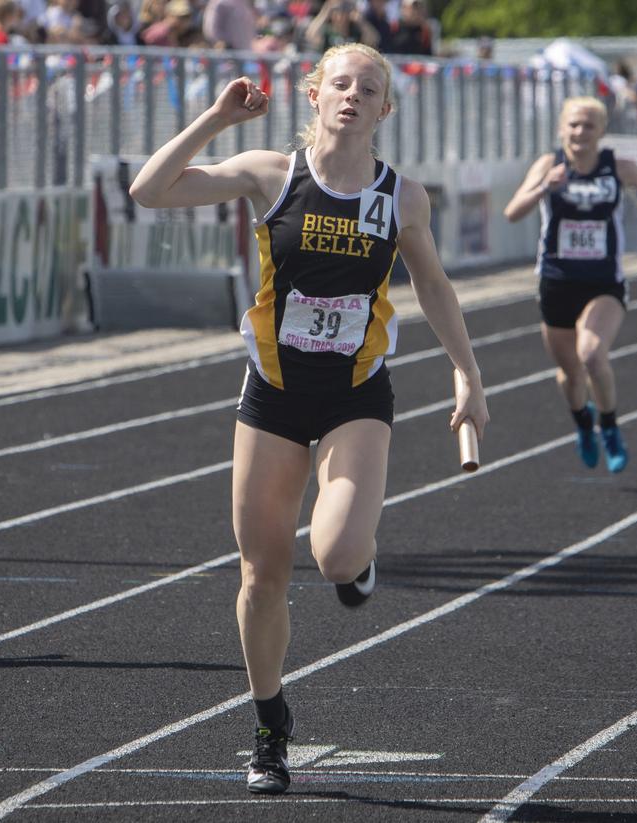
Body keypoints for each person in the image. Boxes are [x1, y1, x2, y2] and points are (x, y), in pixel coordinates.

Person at [129, 42, 488, 795]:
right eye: (341, 84)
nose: (354, 96)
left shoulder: (403, 198)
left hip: (356, 392)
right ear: (315, 94)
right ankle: (270, 725)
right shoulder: (272, 174)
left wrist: (467, 373)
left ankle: (358, 562)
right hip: (274, 393)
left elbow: (433, 285)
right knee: (262, 576)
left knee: (335, 556)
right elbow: (148, 190)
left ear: (385, 108)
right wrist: (216, 119)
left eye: (369, 88)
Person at [504, 96, 637, 474]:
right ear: (561, 129)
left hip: (603, 282)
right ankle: (583, 424)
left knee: (591, 354)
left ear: (601, 131)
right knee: (570, 375)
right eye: (573, 124)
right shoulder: (548, 165)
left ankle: (610, 426)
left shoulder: (616, 167)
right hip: (556, 282)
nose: (580, 132)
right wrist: (544, 187)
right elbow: (512, 212)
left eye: (588, 125)